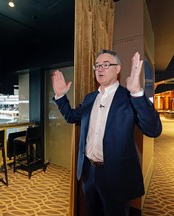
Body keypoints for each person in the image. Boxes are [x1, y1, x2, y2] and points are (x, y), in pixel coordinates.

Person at [52, 49, 162, 216]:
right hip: (89, 172)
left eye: (106, 65)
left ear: (117, 69)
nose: (100, 69)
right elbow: (72, 117)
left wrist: (138, 94)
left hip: (116, 175)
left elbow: (153, 130)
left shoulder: (128, 96)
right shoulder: (90, 98)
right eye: (97, 66)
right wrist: (60, 96)